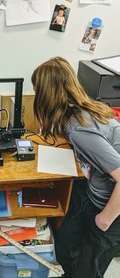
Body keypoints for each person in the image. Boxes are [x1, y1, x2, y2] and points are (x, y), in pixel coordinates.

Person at [31, 57, 120, 278]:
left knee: (87, 271)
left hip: (112, 211)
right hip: (94, 194)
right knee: (64, 248)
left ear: (47, 96)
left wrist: (104, 220)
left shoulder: (78, 128)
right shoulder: (87, 109)